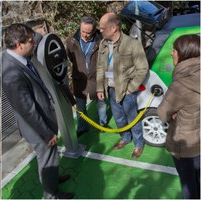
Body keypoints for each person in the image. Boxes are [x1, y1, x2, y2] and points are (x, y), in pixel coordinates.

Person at [2, 23, 74, 199]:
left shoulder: (18, 58)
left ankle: (53, 179)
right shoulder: (10, 71)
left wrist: (41, 33)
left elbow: (41, 39)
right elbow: (27, 109)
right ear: (20, 44)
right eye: (30, 41)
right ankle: (52, 194)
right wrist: (46, 133)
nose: (34, 43)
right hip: (37, 126)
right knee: (47, 158)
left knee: (51, 155)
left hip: (43, 119)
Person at [96, 13, 148, 159]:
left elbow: (143, 69)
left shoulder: (132, 44)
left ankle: (138, 144)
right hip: (111, 90)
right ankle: (125, 138)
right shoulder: (103, 44)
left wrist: (131, 89)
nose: (100, 30)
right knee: (119, 118)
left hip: (127, 91)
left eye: (102, 28)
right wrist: (100, 88)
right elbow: (100, 67)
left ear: (113, 28)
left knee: (132, 119)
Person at [157, 34, 200, 199]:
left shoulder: (181, 84)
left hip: (186, 147)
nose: (171, 53)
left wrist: (173, 112)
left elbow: (162, 113)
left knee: (188, 184)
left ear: (184, 53)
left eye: (174, 50)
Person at [66, 16, 108, 136]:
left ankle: (102, 123)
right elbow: (71, 57)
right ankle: (82, 127)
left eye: (88, 32)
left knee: (101, 102)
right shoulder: (71, 41)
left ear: (94, 30)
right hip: (80, 80)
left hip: (96, 78)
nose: (85, 35)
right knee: (80, 106)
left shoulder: (101, 41)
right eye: (82, 31)